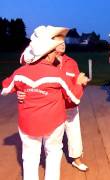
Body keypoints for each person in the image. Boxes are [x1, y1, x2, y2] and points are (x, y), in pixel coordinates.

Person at [1, 25, 89, 180]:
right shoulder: (57, 74)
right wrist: (80, 83)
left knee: (29, 157)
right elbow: (74, 97)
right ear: (48, 54)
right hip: (54, 122)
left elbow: (6, 88)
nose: (56, 51)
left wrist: (23, 90)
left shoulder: (19, 73)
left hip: (27, 123)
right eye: (54, 49)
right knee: (53, 154)